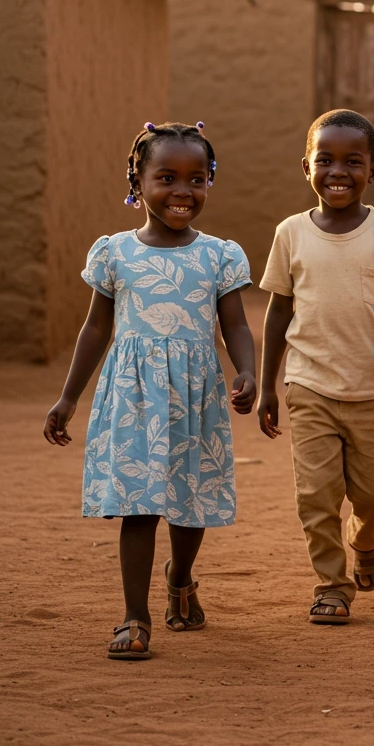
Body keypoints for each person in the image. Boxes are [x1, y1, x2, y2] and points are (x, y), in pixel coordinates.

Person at [43, 121, 256, 660]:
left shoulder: (219, 255)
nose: (183, 190)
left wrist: (247, 371)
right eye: (166, 177)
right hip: (134, 396)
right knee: (138, 504)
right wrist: (69, 396)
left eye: (197, 178)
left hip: (196, 396)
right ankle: (134, 617)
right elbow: (96, 328)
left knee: (190, 505)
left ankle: (180, 577)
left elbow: (233, 325)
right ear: (136, 182)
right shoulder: (116, 253)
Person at [257, 109, 374, 625]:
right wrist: (267, 385)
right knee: (316, 496)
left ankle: (366, 538)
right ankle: (331, 584)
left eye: (353, 161)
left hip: (370, 391)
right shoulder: (290, 233)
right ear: (305, 166)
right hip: (308, 385)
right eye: (324, 160)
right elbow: (277, 310)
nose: (338, 171)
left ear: (372, 171)